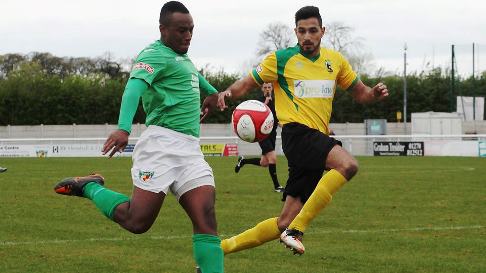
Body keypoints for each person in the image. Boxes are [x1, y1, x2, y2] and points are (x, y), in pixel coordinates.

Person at [53, 2, 224, 272]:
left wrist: (212, 91)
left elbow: (193, 75)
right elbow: (133, 89)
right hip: (161, 146)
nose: (188, 36)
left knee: (206, 216)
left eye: (191, 30)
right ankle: (90, 187)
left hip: (190, 150)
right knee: (137, 221)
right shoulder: (154, 55)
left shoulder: (181, 56)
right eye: (181, 30)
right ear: (163, 29)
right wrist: (123, 128)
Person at [217, 6, 388, 255]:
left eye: (312, 31)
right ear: (295, 32)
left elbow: (361, 93)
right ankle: (297, 231)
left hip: (316, 138)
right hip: (296, 134)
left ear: (322, 32)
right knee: (347, 165)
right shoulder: (281, 59)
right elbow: (246, 83)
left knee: (283, 221)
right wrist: (228, 93)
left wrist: (374, 93)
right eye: (302, 31)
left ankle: (220, 249)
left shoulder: (335, 61)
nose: (307, 36)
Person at [234, 83, 284, 193]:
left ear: (272, 88)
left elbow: (277, 116)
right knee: (273, 158)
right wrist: (266, 102)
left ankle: (243, 161)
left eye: (269, 87)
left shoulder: (276, 101)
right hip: (262, 134)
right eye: (265, 87)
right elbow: (256, 115)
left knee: (264, 162)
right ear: (262, 89)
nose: (267, 89)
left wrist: (282, 123)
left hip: (272, 134)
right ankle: (277, 186)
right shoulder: (258, 102)